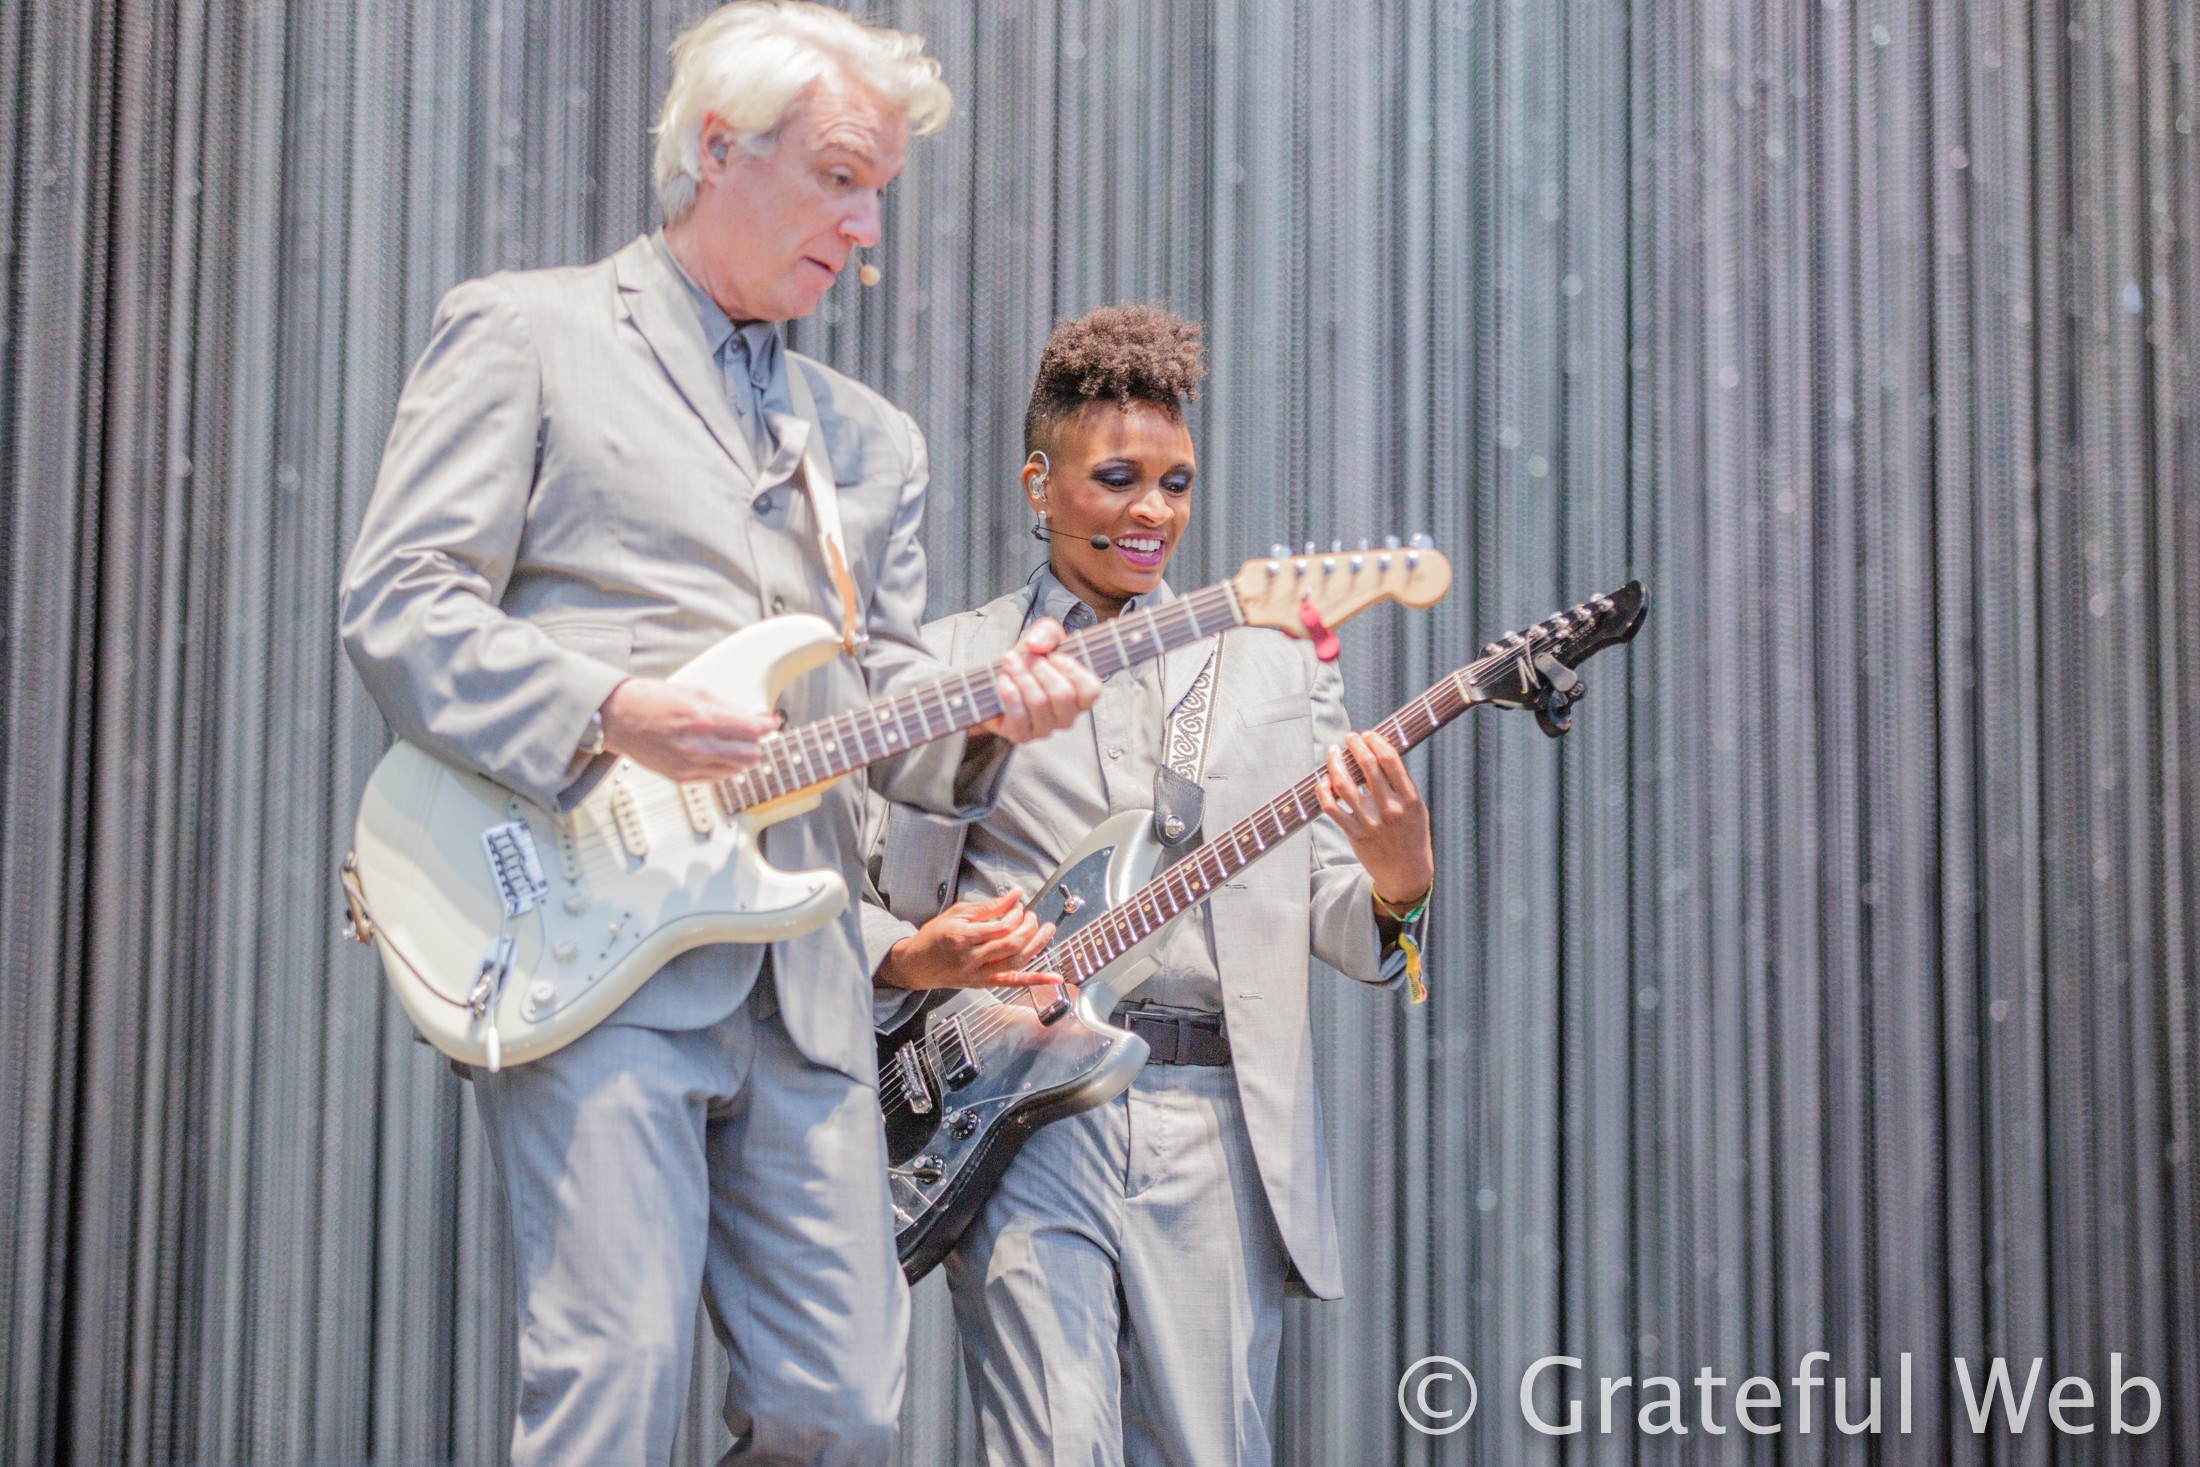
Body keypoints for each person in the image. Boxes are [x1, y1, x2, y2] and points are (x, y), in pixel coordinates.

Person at [338, 5, 1101, 1462]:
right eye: (839, 177)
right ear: (717, 147)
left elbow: (886, 713)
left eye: (879, 190)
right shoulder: (529, 332)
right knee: (613, 1383)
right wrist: (611, 709)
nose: (867, 228)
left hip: (803, 980)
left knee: (841, 1410)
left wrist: (993, 718)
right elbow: (398, 603)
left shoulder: (871, 440)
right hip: (594, 950)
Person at [860, 305, 1436, 1465]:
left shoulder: (1272, 664)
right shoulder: (947, 662)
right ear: (1039, 483)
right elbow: (856, 888)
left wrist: (1400, 881)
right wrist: (912, 957)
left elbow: (1345, 919)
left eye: (1175, 484)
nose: (1152, 513)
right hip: (1022, 1116)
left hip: (1214, 1120)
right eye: (1117, 479)